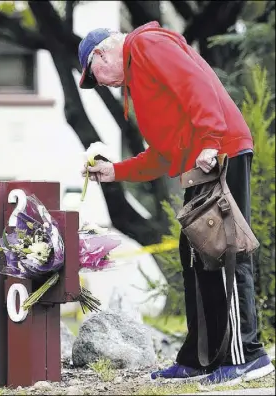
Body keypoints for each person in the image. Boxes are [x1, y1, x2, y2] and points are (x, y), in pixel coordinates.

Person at [77, 21, 274, 385]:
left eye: (95, 76)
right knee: (196, 258)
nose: (101, 84)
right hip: (200, 163)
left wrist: (212, 140)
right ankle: (201, 357)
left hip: (220, 153)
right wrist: (115, 171)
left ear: (101, 54)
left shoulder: (147, 45)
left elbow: (196, 85)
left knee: (227, 253)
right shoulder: (138, 78)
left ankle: (249, 355)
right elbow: (163, 156)